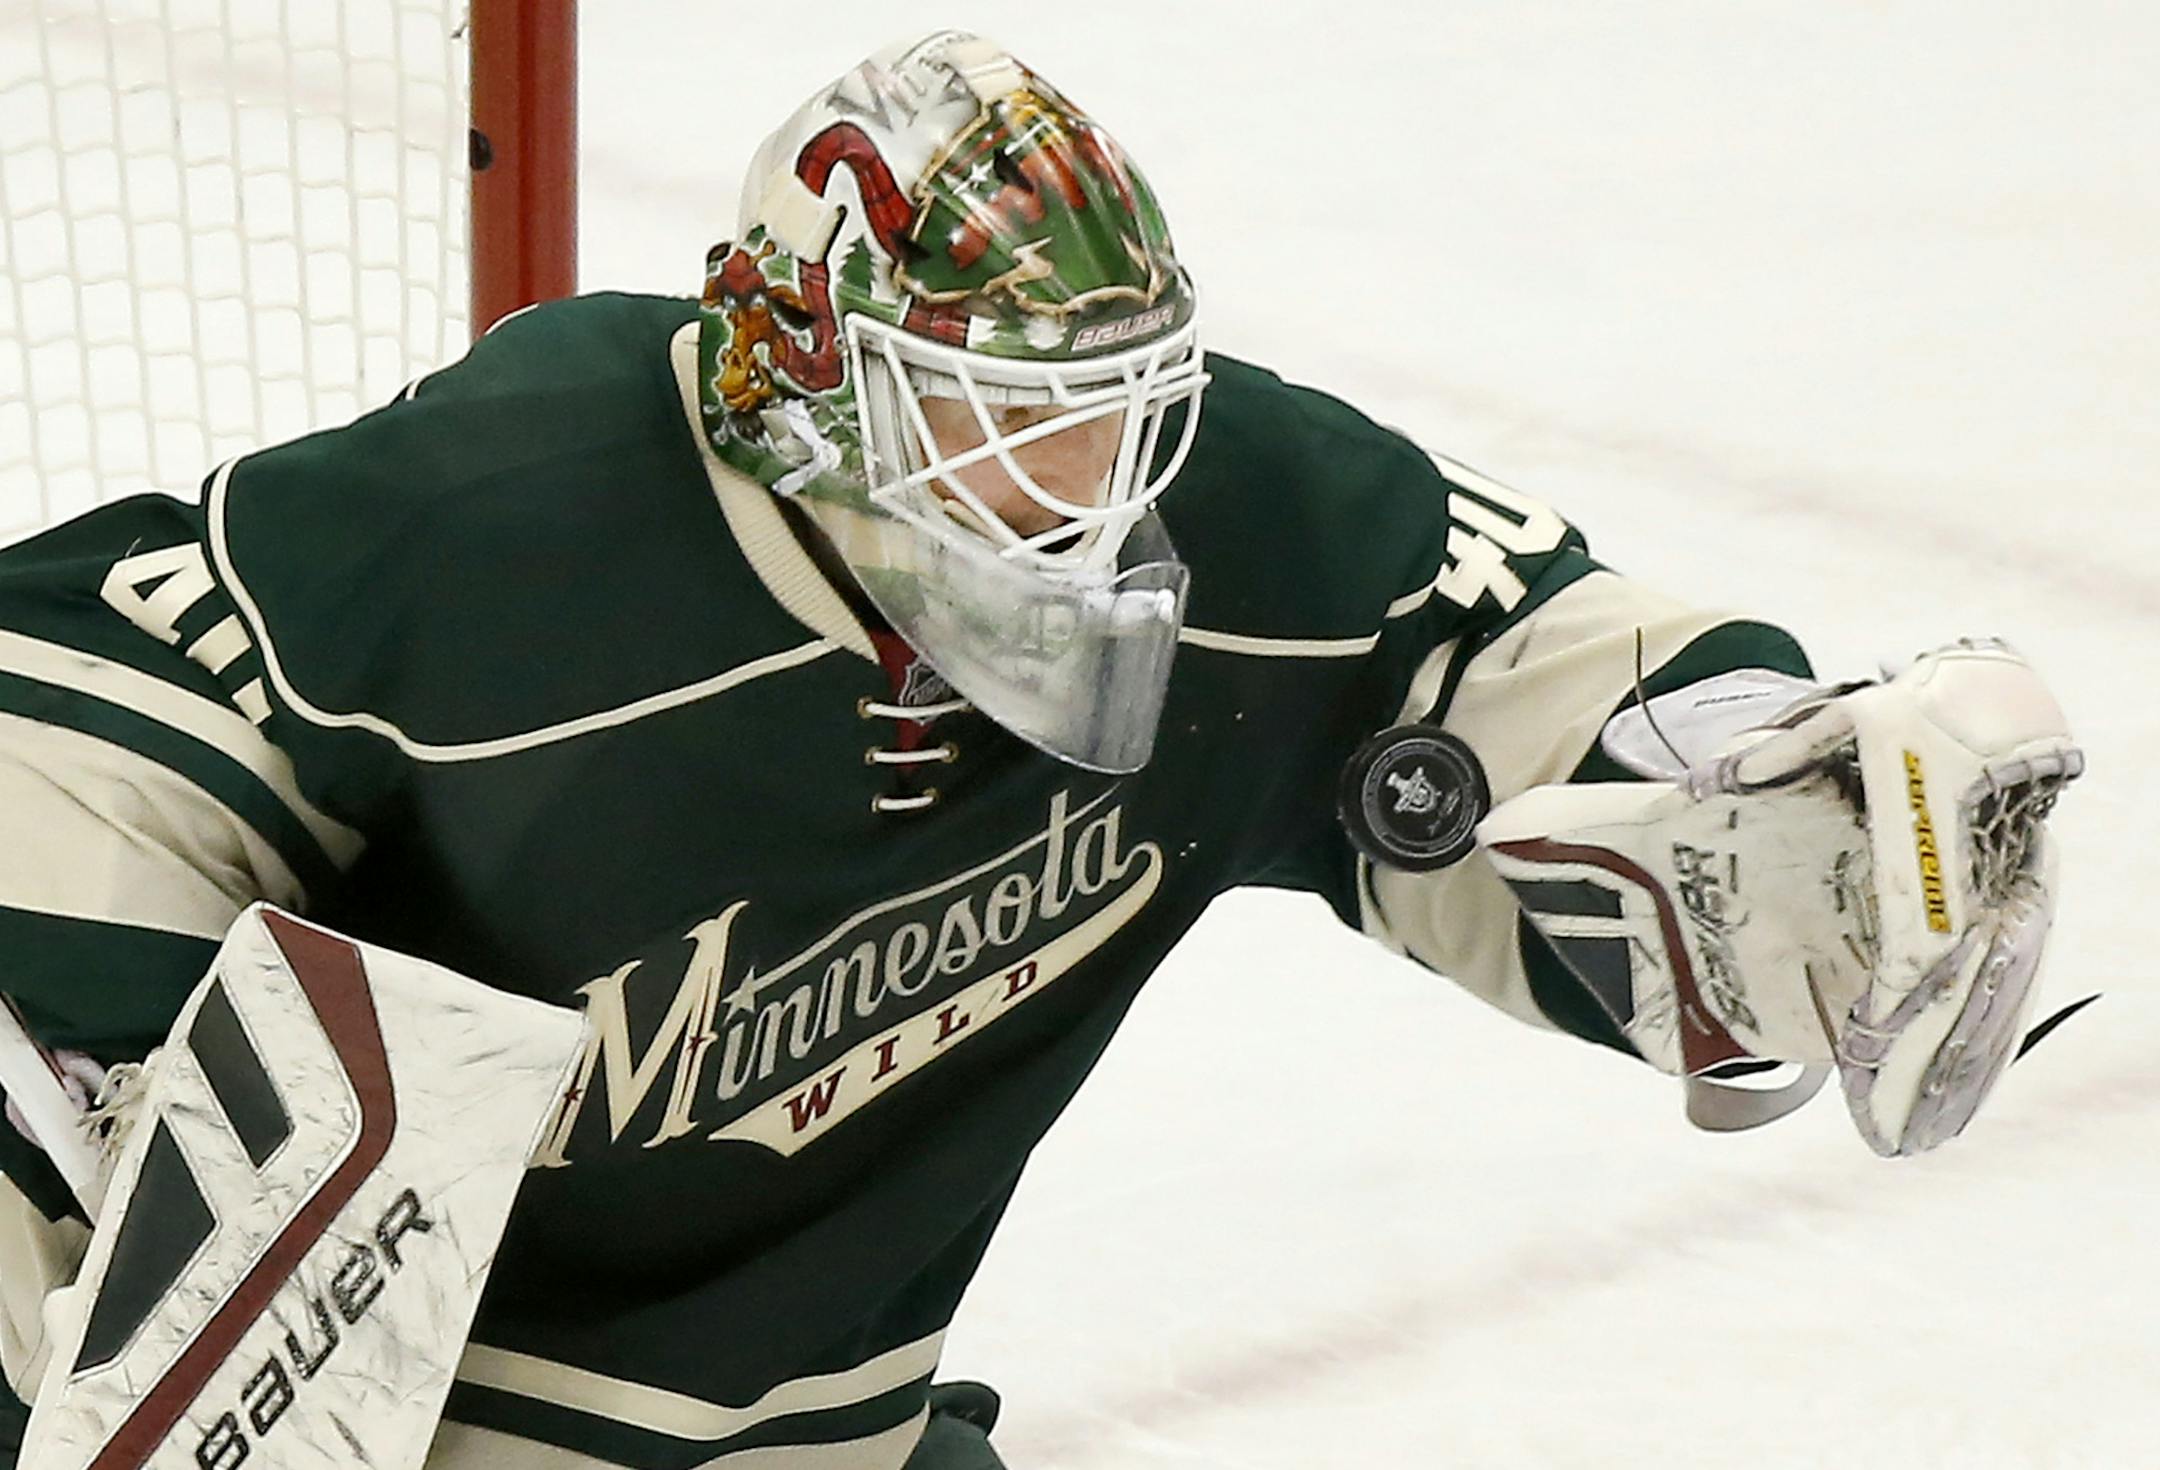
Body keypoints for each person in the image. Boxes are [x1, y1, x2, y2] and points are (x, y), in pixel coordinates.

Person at [0, 29, 2078, 1470]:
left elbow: (1479, 662)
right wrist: (109, 1074)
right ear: (802, 379)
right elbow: (64, 708)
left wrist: (1739, 768)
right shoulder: (515, 521)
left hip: (833, 1428)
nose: (1087, 500)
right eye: (1002, 422)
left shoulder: (1231, 533)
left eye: (1115, 416)